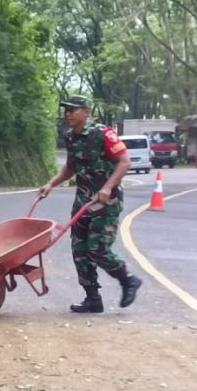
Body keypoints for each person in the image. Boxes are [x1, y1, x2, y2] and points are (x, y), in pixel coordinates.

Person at [38, 95, 142, 313]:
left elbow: (124, 162)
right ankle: (93, 298)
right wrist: (51, 183)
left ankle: (128, 279)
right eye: (65, 110)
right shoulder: (70, 137)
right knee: (80, 250)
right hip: (83, 201)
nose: (67, 113)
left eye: (72, 110)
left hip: (106, 201)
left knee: (97, 249)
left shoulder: (103, 133)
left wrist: (107, 187)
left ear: (86, 111)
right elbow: (70, 167)